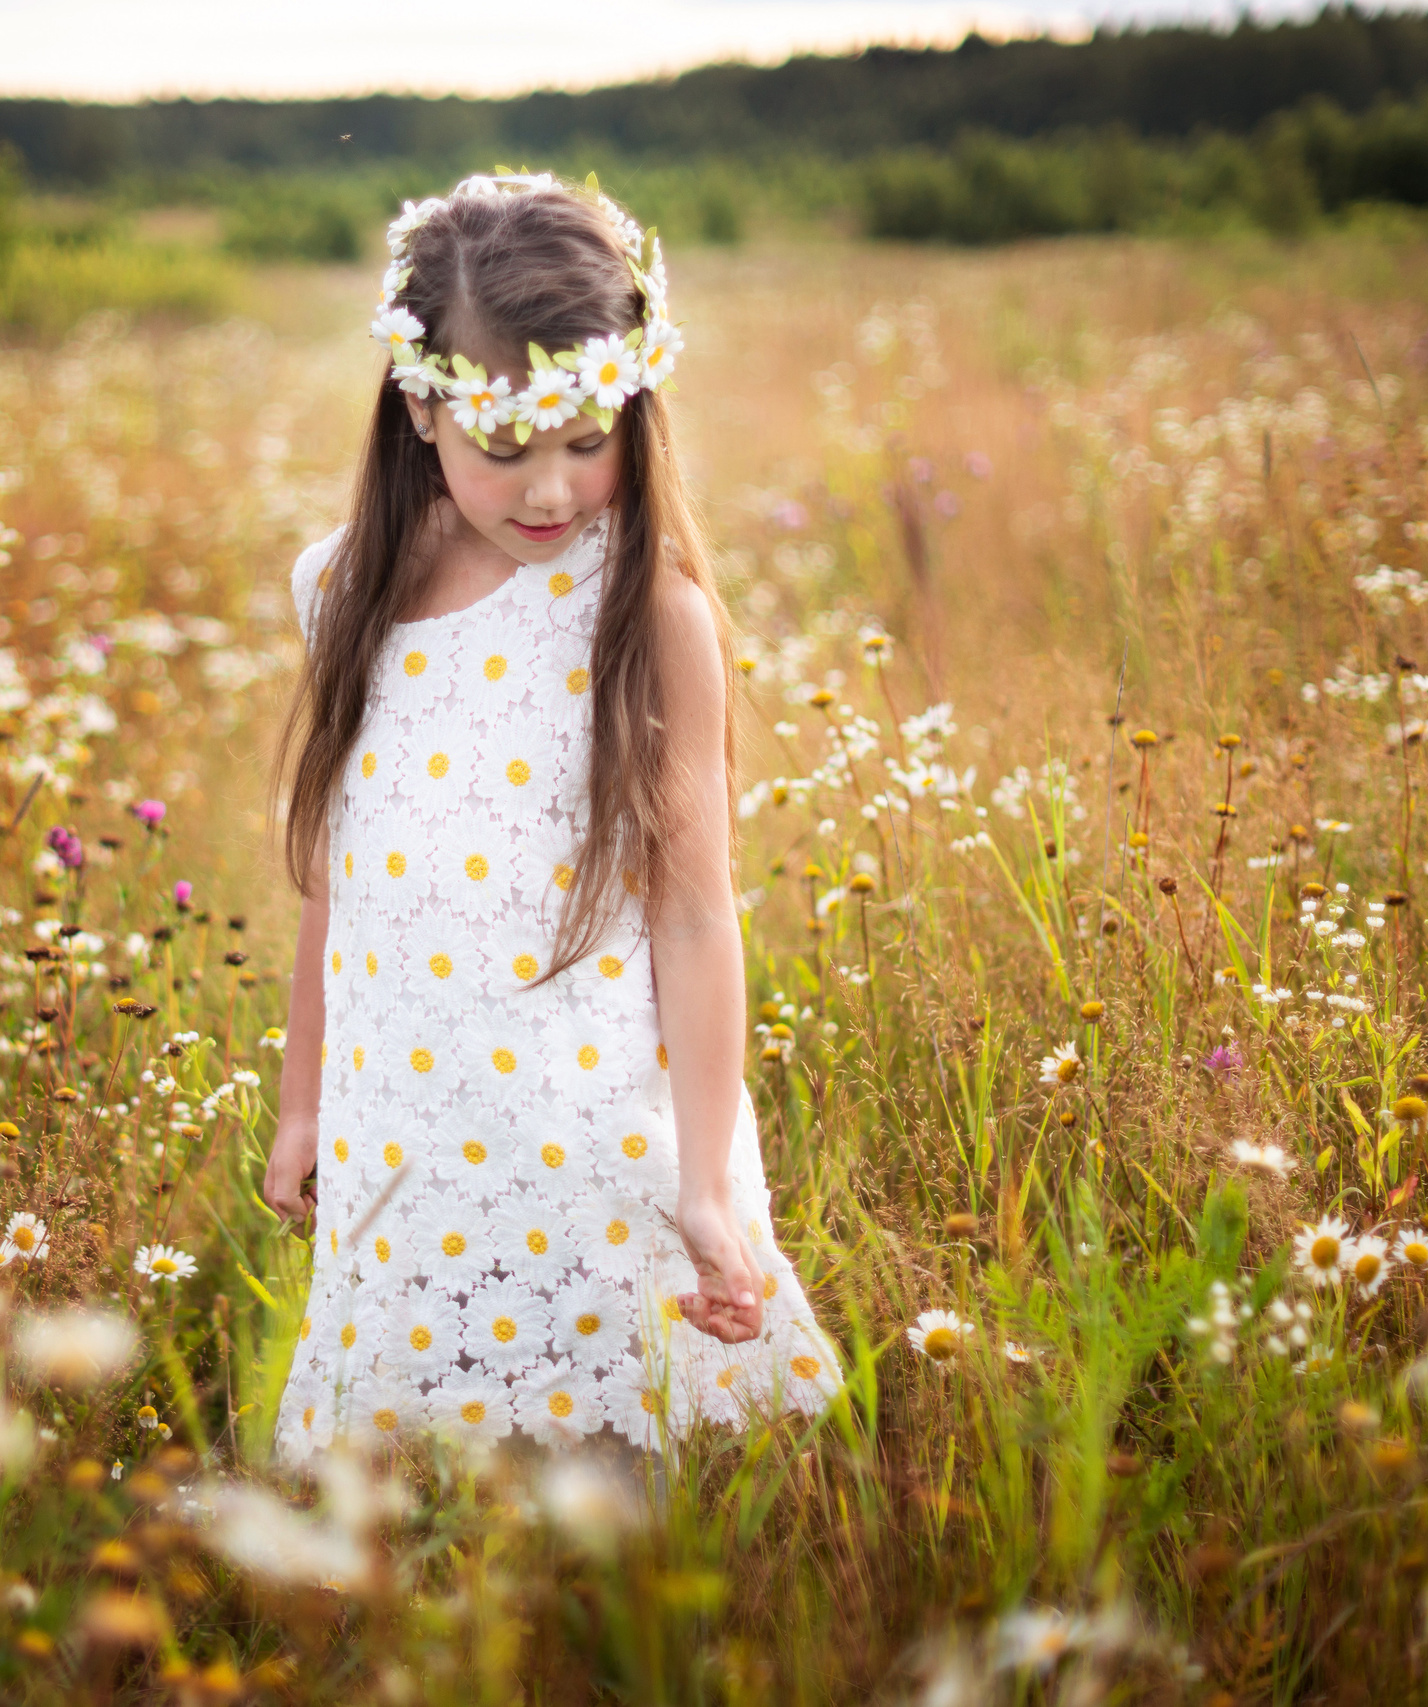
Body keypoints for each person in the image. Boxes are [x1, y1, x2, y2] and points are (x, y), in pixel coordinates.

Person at [260, 172, 839, 1461]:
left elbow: (693, 917)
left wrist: (701, 1180)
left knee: (606, 1476)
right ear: (419, 410)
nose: (554, 490)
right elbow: (339, 883)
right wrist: (305, 1103)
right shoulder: (343, 591)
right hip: (405, 1126)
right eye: (506, 449)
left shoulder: (649, 614)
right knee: (427, 1498)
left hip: (593, 1129)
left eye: (590, 438)